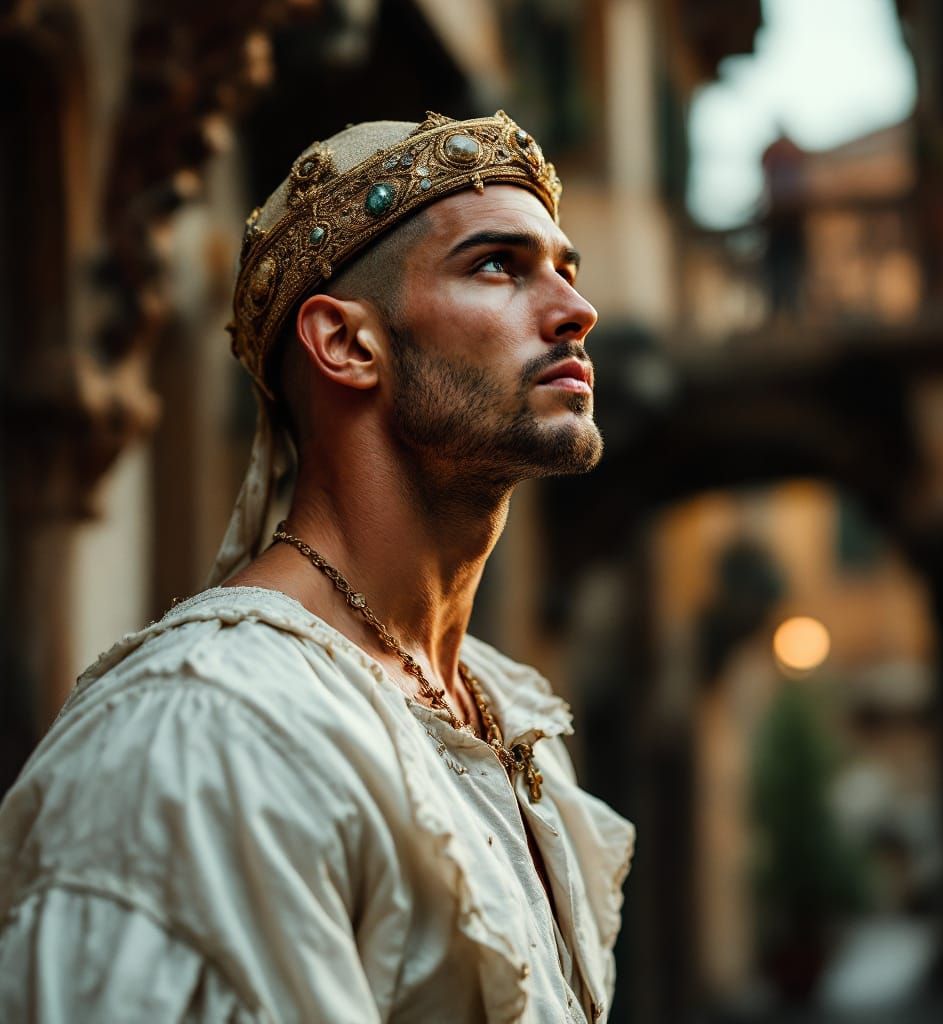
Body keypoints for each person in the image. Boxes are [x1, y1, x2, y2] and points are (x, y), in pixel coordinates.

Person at [0, 110, 634, 1022]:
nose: (577, 310)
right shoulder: (211, 730)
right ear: (346, 344)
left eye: (565, 270)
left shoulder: (503, 712)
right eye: (499, 264)